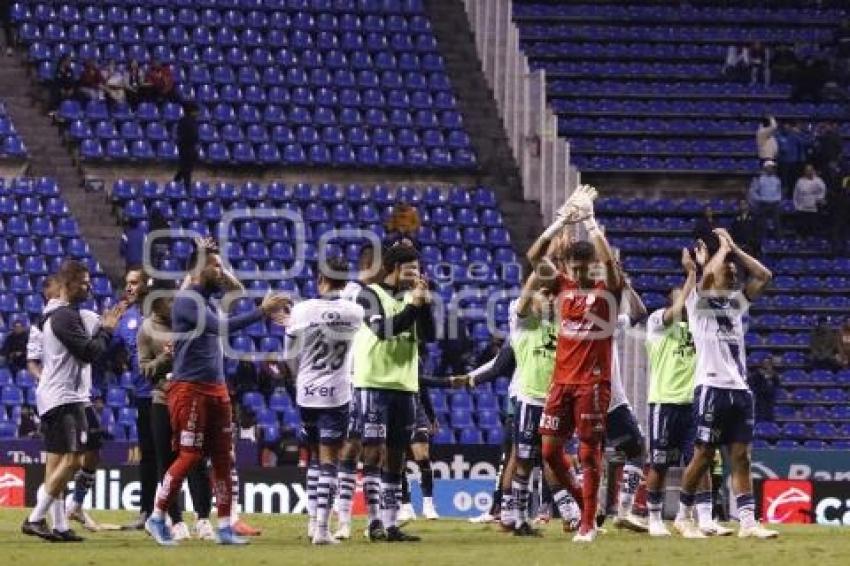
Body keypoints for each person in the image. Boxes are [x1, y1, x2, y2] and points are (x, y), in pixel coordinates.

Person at [145, 241, 290, 546]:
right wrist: (261, 312)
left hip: (216, 388)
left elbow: (234, 290)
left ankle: (224, 525)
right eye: (214, 265)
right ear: (199, 269)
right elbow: (222, 328)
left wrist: (219, 264)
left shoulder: (207, 299)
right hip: (190, 388)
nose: (220, 271)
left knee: (223, 458)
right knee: (189, 455)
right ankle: (157, 516)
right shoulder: (186, 301)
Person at [528, 184, 624, 543]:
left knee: (588, 451)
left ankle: (588, 522)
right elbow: (534, 254)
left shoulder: (607, 293)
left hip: (592, 385)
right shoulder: (564, 286)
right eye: (576, 267)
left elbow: (614, 272)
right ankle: (584, 497)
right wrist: (559, 223)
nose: (582, 273)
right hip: (561, 382)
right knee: (550, 451)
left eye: (588, 267)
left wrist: (591, 224)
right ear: (568, 265)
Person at [674, 228, 777, 539]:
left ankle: (747, 522)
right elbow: (704, 280)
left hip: (740, 390)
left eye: (734, 273)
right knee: (704, 454)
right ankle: (683, 515)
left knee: (742, 456)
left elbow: (764, 275)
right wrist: (720, 254)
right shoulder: (697, 303)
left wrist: (733, 250)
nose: (733, 276)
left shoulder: (735, 305)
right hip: (711, 387)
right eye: (728, 272)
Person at [21, 260, 123, 542]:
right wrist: (108, 329)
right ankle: (34, 519)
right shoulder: (64, 317)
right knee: (73, 460)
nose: (89, 287)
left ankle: (60, 525)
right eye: (84, 283)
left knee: (57, 466)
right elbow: (90, 352)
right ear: (68, 285)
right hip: (65, 398)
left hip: (59, 396)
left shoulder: (63, 314)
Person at [352, 243, 435, 542]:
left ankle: (390, 524)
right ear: (393, 269)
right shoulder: (369, 294)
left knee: (397, 456)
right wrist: (413, 305)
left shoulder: (414, 298)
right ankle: (373, 521)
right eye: (410, 269)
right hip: (374, 381)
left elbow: (429, 336)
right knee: (373, 451)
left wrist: (424, 305)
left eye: (417, 269)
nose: (415, 275)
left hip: (405, 384)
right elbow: (384, 331)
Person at [645, 258, 731, 538]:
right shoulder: (657, 321)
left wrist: (705, 271)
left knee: (701, 459)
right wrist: (692, 274)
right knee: (659, 462)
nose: (684, 301)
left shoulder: (699, 327)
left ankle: (705, 518)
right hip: (665, 402)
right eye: (679, 296)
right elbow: (680, 307)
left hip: (695, 403)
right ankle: (654, 518)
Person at [284, 257, 364, 545]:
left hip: (306, 392)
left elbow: (288, 355)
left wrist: (297, 379)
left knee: (315, 459)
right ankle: (321, 529)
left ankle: (311, 523)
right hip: (337, 393)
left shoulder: (302, 310)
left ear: (321, 278)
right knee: (331, 459)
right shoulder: (355, 312)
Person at [137, 278, 214, 541]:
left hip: (192, 398)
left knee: (196, 459)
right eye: (164, 301)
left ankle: (203, 518)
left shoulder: (190, 322)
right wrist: (165, 359)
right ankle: (177, 520)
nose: (170, 305)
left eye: (172, 299)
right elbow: (144, 370)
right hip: (162, 400)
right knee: (167, 462)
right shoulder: (147, 329)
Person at [333, 244, 382, 540]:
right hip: (351, 380)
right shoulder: (352, 293)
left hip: (373, 379)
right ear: (369, 264)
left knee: (375, 449)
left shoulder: (378, 296)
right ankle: (344, 521)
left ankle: (374, 520)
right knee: (351, 447)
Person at [601, 274, 649, 532]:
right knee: (637, 450)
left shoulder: (581, 322)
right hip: (610, 402)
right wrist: (625, 286)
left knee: (590, 456)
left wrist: (627, 286)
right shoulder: (609, 325)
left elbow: (640, 313)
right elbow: (640, 313)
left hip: (583, 397)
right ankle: (622, 511)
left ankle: (585, 516)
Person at [113, 268, 157, 531]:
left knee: (171, 455)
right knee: (148, 455)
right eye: (127, 283)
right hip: (143, 396)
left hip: (167, 392)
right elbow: (108, 349)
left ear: (146, 285)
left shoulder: (159, 313)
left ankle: (180, 514)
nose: (129, 287)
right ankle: (147, 512)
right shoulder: (125, 318)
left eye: (134, 283)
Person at [748, 161, 782, 238]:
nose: (771, 169)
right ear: (765, 168)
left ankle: (778, 239)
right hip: (763, 203)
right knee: (762, 223)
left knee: (776, 223)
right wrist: (760, 199)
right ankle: (763, 239)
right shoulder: (760, 179)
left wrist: (778, 199)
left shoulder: (777, 179)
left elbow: (779, 191)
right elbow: (753, 192)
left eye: (772, 168)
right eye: (770, 167)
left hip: (774, 203)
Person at [793, 164, 827, 238]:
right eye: (807, 170)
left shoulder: (818, 180)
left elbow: (823, 190)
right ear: (804, 171)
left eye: (810, 170)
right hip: (802, 207)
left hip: (814, 207)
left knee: (813, 227)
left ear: (813, 171)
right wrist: (796, 205)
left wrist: (819, 199)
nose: (808, 172)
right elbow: (796, 194)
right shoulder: (800, 181)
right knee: (802, 227)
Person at [174, 101, 199, 190]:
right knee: (186, 170)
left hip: (187, 148)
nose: (197, 113)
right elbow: (192, 136)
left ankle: (176, 182)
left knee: (185, 168)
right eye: (196, 111)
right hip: (186, 148)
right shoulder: (187, 122)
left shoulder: (188, 121)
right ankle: (187, 187)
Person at [748, 358, 780, 423]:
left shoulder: (774, 374)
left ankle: (770, 428)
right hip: (760, 397)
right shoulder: (757, 373)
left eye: (768, 363)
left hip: (770, 397)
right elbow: (751, 383)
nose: (767, 364)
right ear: (762, 364)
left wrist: (772, 376)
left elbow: (777, 383)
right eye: (765, 363)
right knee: (760, 414)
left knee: (769, 414)